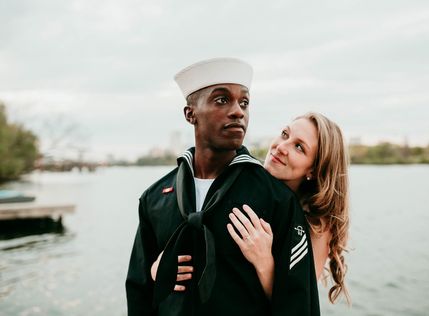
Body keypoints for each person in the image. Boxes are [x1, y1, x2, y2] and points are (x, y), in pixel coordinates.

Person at [126, 58, 320, 316]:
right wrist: (154, 274)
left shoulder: (277, 200)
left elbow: (301, 304)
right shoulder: (154, 199)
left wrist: (266, 266)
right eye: (221, 100)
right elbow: (137, 292)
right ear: (190, 114)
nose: (238, 111)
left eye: (244, 103)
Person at [152, 112, 351, 304]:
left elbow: (300, 302)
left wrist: (264, 262)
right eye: (285, 134)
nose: (281, 147)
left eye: (299, 147)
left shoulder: (317, 225)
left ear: (314, 169)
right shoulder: (238, 183)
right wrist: (161, 268)